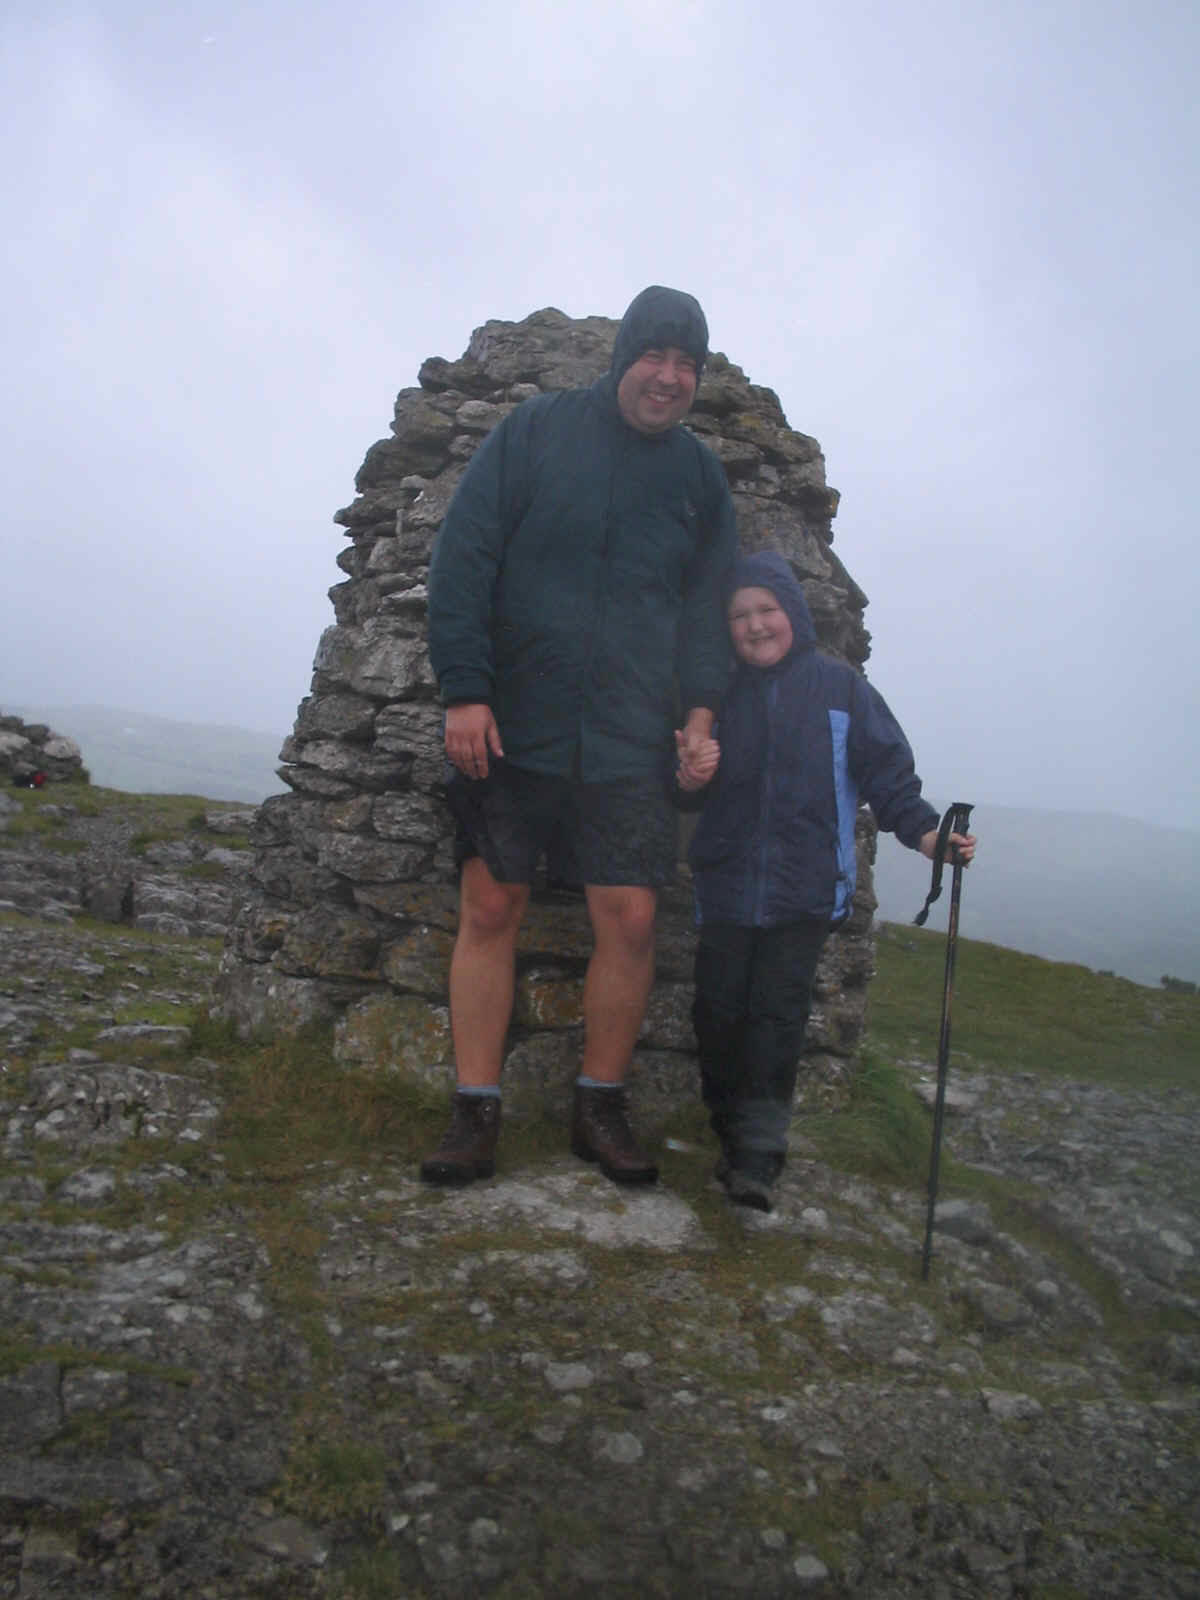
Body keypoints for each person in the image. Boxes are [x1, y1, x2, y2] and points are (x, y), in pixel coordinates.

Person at [422, 285, 738, 1187]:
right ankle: (473, 1112)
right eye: (657, 357)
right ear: (622, 358)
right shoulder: (535, 432)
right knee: (489, 908)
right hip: (515, 721)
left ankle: (599, 1106)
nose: (670, 378)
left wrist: (700, 717)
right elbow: (465, 555)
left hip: (629, 735)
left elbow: (709, 615)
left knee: (632, 920)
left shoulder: (698, 478)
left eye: (688, 365)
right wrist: (465, 692)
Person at [677, 549, 977, 1212]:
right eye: (739, 615)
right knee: (718, 1014)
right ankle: (728, 1133)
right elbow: (683, 789)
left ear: (794, 613)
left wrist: (928, 836)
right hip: (726, 886)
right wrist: (687, 777)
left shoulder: (840, 689)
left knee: (777, 1020)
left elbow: (887, 776)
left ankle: (758, 1158)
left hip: (805, 889)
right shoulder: (714, 694)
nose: (755, 625)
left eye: (767, 610)